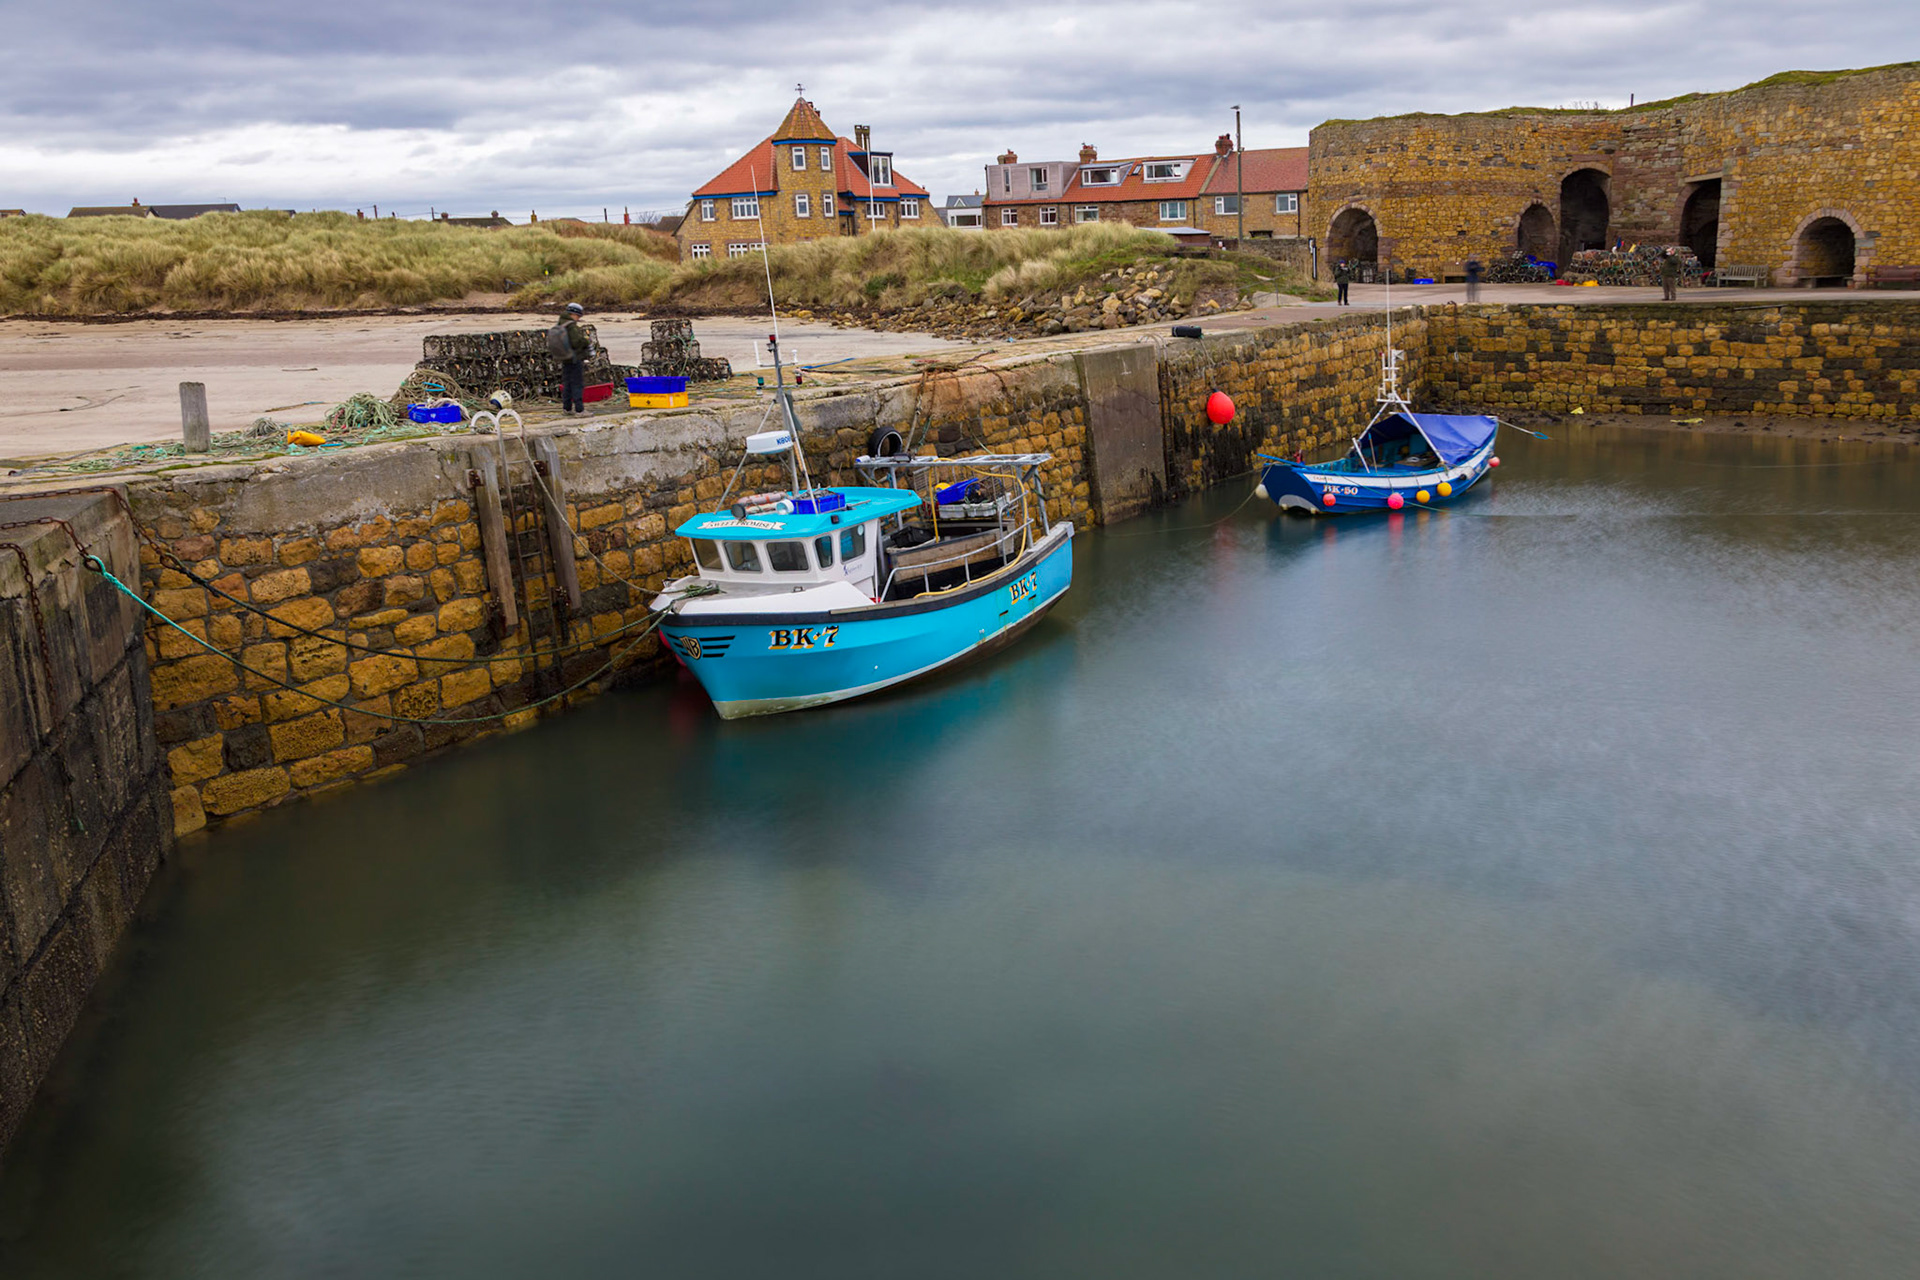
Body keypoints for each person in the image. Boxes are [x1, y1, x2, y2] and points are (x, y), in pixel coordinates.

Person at [554, 302, 590, 413]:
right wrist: (586, 341)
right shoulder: (571, 326)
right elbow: (576, 342)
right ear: (573, 314)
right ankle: (580, 410)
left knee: (567, 384)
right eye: (578, 316)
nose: (578, 319)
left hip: (565, 358)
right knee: (577, 384)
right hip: (574, 358)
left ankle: (567, 408)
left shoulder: (560, 323)